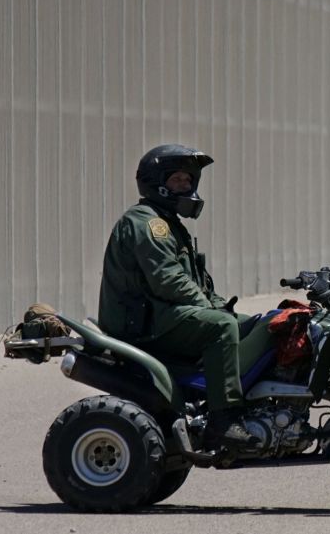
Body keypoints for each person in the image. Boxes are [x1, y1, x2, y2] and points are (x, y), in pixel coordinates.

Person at [97, 144, 271, 451]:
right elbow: (169, 281)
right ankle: (224, 419)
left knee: (259, 325)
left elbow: (196, 284)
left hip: (161, 314)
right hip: (145, 323)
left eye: (189, 180)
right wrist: (214, 313)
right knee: (221, 328)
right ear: (157, 182)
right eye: (178, 180)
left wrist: (221, 308)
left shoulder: (169, 224)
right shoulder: (149, 223)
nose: (186, 186)